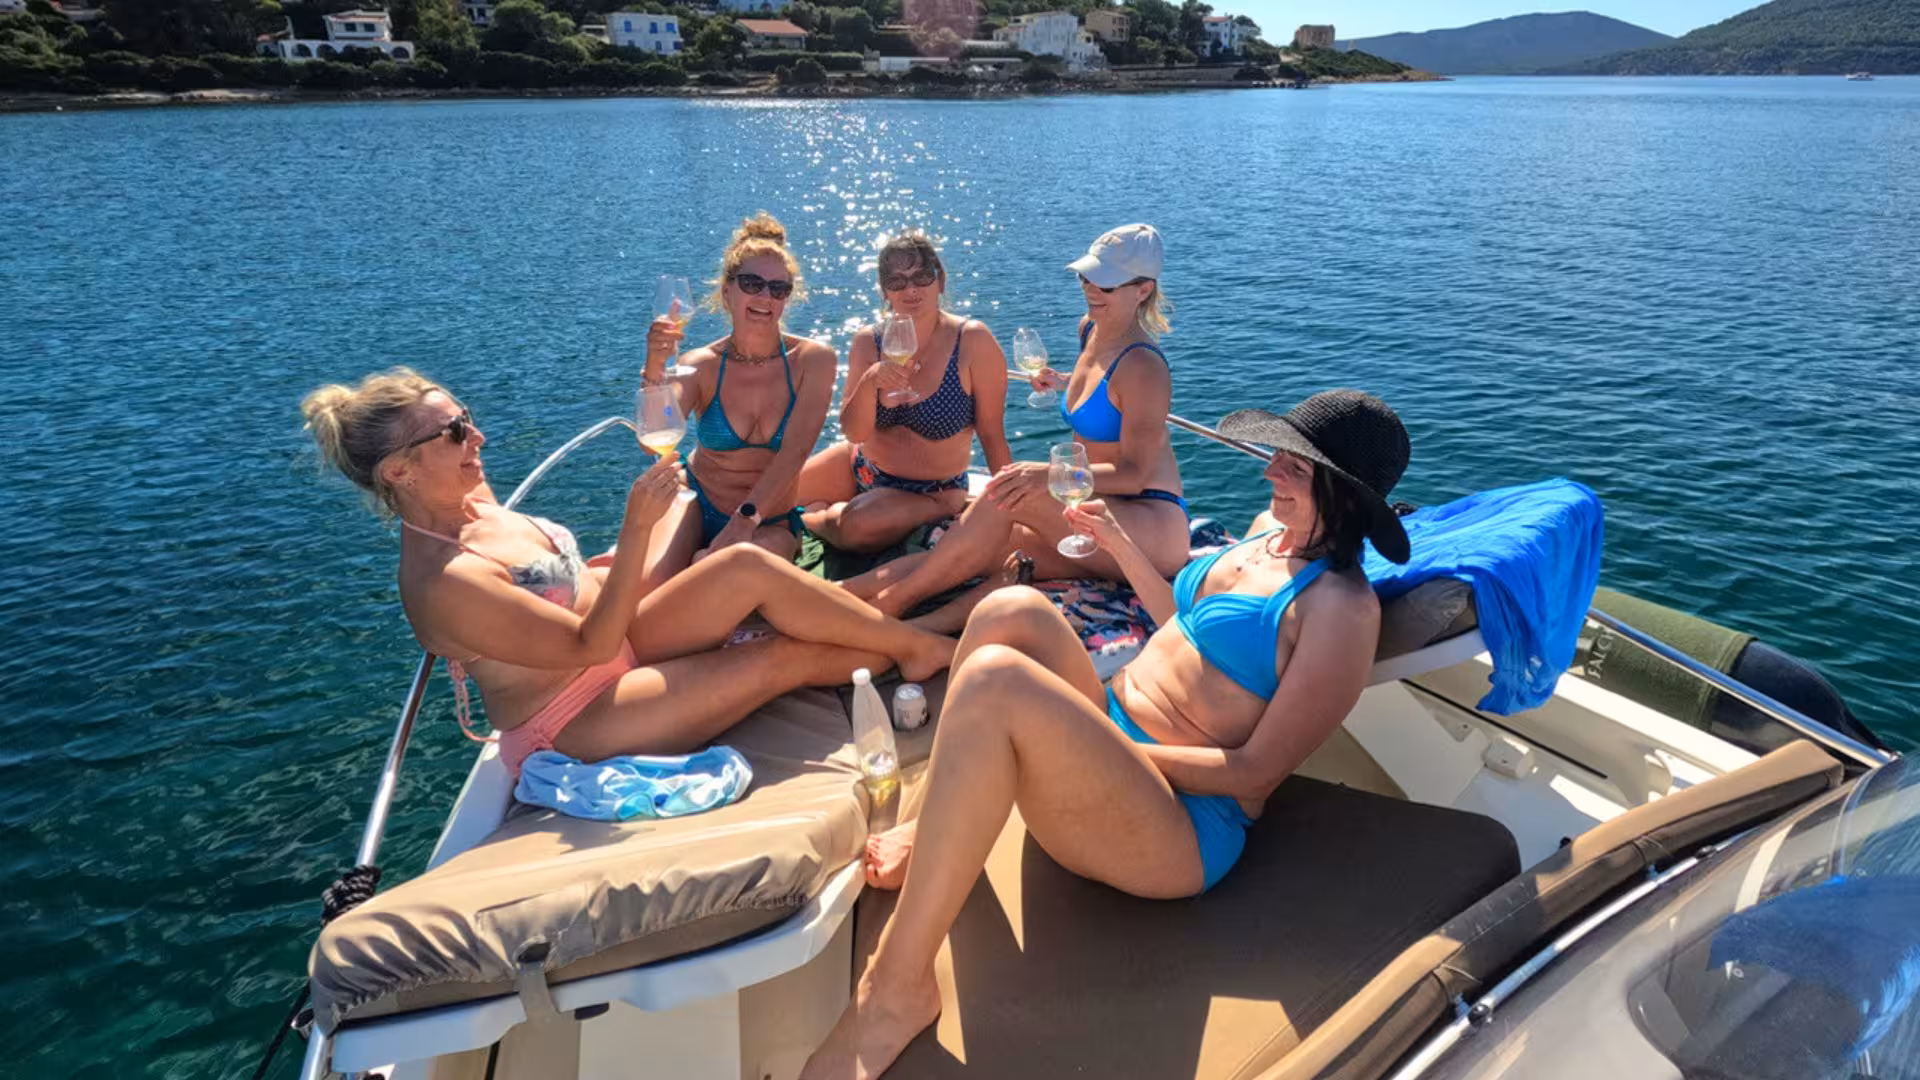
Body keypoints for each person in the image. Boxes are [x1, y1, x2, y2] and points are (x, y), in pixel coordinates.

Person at [800, 390, 1413, 1080]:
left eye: (1295, 468)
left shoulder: (1341, 611)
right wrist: (1117, 544)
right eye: (1277, 455)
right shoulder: (1264, 534)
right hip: (1114, 740)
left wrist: (1109, 745)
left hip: (1179, 825)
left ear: (1347, 494)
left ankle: (894, 991)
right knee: (1012, 609)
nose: (1271, 472)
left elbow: (1252, 775)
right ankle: (929, 824)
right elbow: (1180, 628)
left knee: (999, 680)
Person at [300, 368, 954, 779]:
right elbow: (591, 645)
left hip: (614, 645)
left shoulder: (472, 502)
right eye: (453, 435)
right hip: (571, 718)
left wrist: (636, 556)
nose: (478, 440)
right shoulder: (445, 581)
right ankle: (927, 647)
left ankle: (916, 641)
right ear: (398, 471)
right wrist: (639, 528)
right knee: (778, 658)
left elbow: (566, 587)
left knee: (746, 566)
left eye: (466, 421)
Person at [841, 224, 1188, 620]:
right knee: (985, 547)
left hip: (1149, 525)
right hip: (1097, 505)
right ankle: (850, 597)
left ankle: (891, 607)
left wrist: (1048, 475)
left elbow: (1136, 474)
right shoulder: (1090, 329)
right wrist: (1062, 383)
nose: (1091, 290)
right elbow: (1105, 393)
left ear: (1142, 289)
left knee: (1004, 495)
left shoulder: (1144, 365)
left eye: (1106, 285)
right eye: (1086, 277)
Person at [795, 232, 1012, 553]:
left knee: (856, 527)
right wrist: (870, 381)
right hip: (863, 467)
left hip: (933, 492)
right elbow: (854, 432)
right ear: (885, 292)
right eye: (897, 282)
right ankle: (831, 507)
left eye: (922, 277)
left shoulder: (972, 341)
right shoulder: (869, 341)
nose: (911, 289)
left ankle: (811, 519)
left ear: (940, 281)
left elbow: (992, 435)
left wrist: (1011, 509)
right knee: (764, 495)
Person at [644, 213, 836, 571]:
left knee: (730, 568)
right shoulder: (700, 364)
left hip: (768, 520)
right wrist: (655, 367)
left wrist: (743, 522)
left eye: (779, 289)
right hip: (697, 503)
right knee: (651, 587)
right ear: (727, 291)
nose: (765, 296)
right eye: (752, 283)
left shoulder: (813, 361)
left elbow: (794, 452)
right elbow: (655, 435)